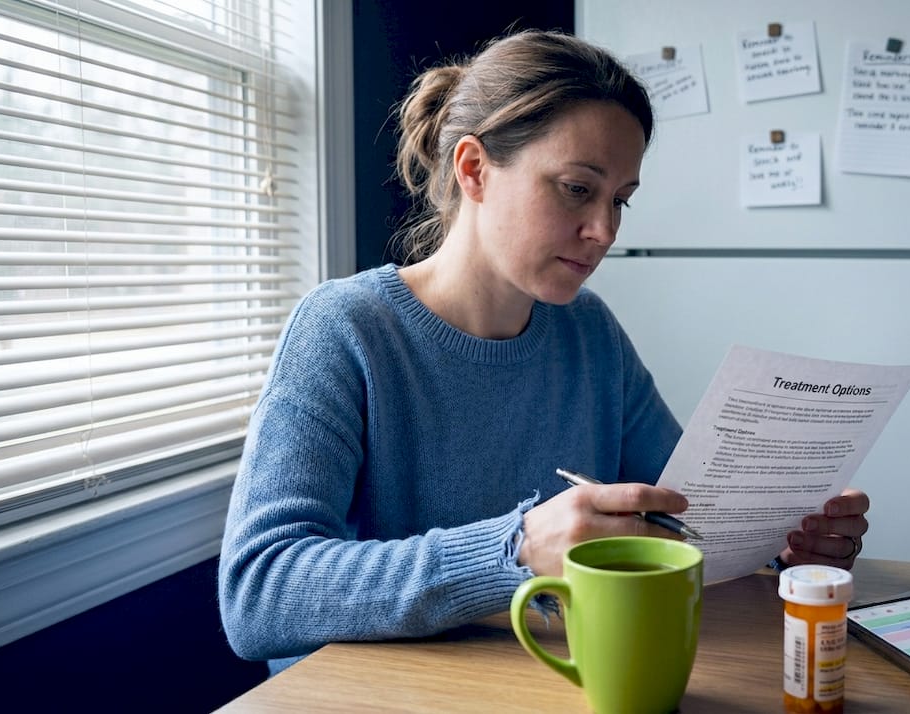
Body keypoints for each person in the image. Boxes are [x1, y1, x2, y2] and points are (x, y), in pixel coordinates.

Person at [217, 28, 869, 675]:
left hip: (546, 681)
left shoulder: (590, 333)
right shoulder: (345, 329)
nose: (605, 230)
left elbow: (684, 515)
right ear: (474, 170)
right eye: (578, 189)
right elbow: (259, 594)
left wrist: (787, 546)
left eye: (620, 201)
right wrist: (518, 549)